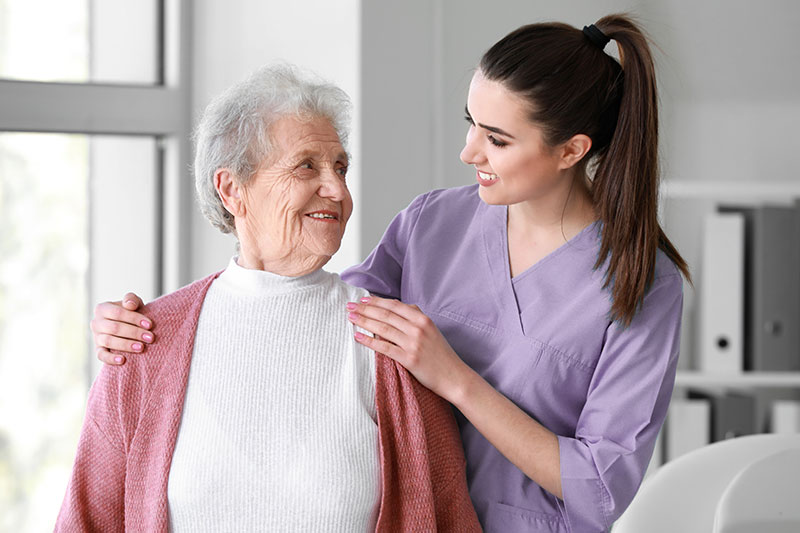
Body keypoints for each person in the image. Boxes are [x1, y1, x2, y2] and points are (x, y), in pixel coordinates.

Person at [89, 14, 691, 533]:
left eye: (498, 139)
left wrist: (453, 378)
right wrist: (152, 333)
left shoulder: (642, 281)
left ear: (571, 150)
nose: (469, 152)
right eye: (471, 122)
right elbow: (313, 311)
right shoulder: (434, 223)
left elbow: (600, 488)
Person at [57, 65, 480, 532]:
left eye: (341, 168)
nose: (338, 190)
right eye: (307, 166)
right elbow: (85, 520)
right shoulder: (144, 343)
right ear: (232, 189)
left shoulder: (393, 345)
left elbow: (448, 517)